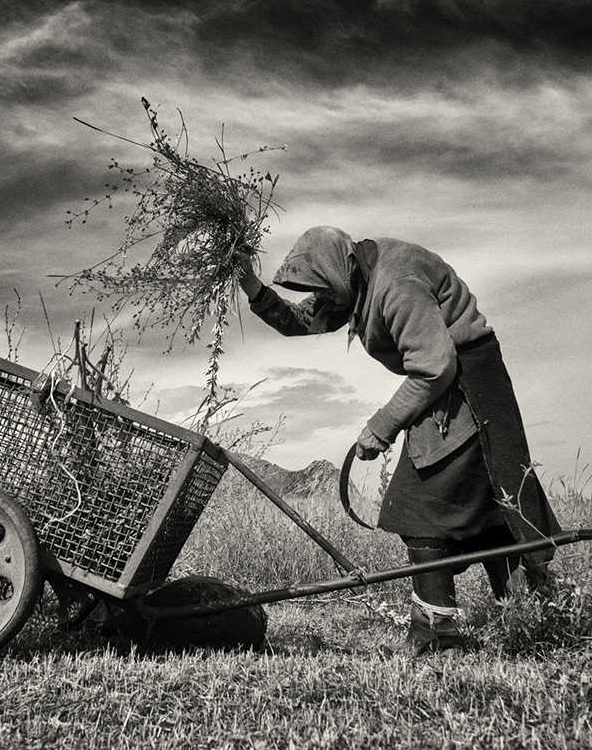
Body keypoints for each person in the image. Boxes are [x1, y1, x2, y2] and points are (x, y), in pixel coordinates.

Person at [237, 226, 560, 655]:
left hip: (467, 389)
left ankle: (442, 633)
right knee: (484, 506)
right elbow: (302, 321)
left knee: (421, 507)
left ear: (340, 270)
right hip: (450, 384)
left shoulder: (396, 284)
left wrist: (381, 426)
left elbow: (433, 366)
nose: (323, 299)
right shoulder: (353, 283)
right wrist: (251, 284)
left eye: (322, 288)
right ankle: (526, 613)